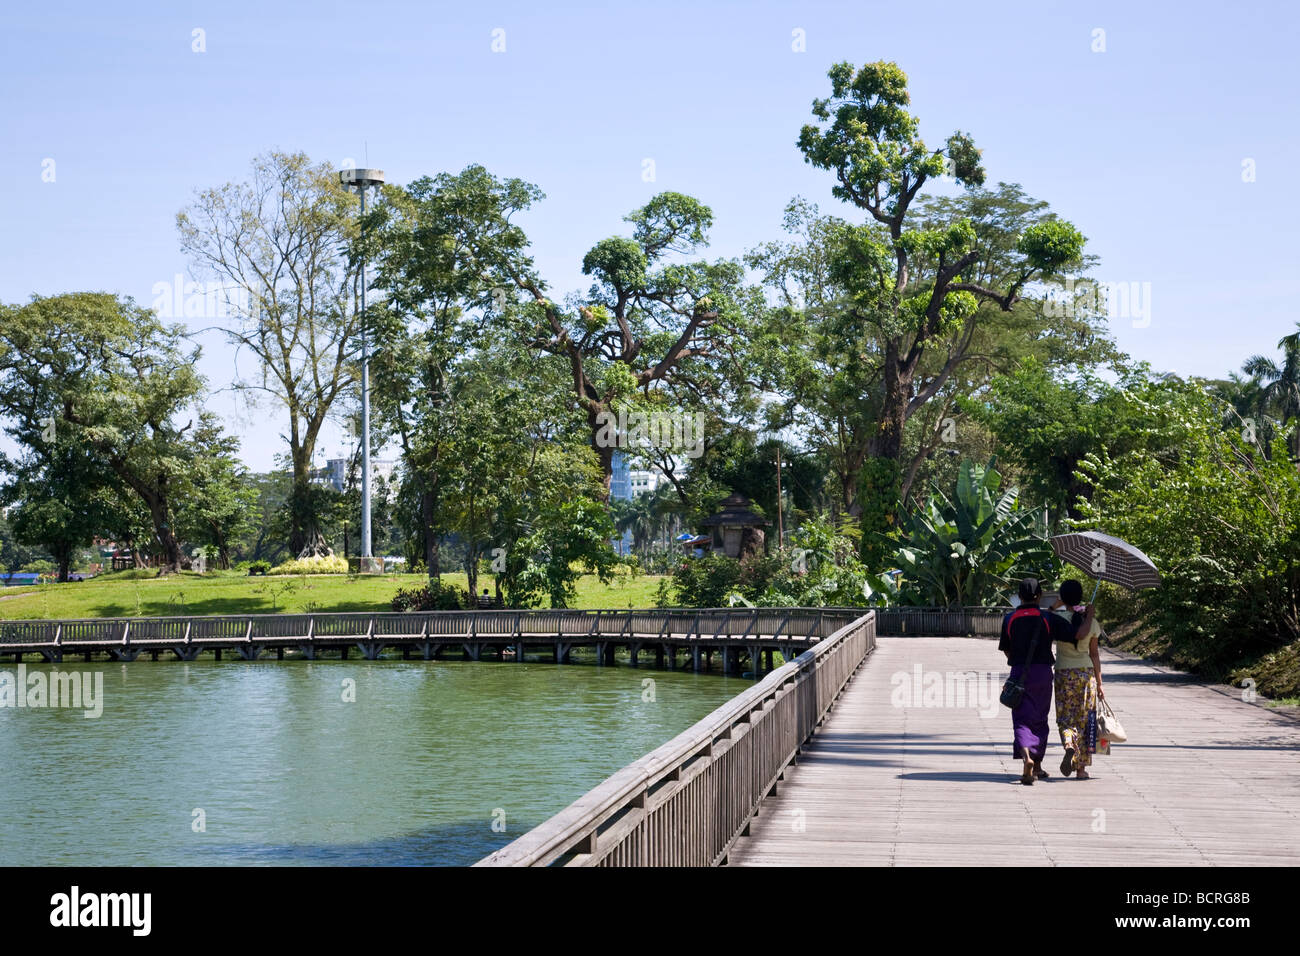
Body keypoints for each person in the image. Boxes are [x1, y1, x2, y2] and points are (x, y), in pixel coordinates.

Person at [1000, 578, 1095, 785]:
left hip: (1018, 673)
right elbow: (1077, 634)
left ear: (1020, 596)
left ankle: (1027, 757)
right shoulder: (1047, 618)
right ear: (1040, 595)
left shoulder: (1009, 619)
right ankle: (1038, 765)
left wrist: (1015, 661)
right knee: (1040, 719)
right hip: (1042, 674)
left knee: (1021, 719)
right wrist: (1088, 615)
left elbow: (1007, 649)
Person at [1050, 579, 1104, 779]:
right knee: (1085, 721)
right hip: (1086, 674)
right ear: (1080, 596)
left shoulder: (1056, 619)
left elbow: (1044, 615)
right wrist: (1099, 683)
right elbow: (1095, 654)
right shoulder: (1092, 624)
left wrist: (1057, 604)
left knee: (1065, 717)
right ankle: (1081, 769)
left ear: (1063, 597)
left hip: (1064, 673)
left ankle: (1068, 742)